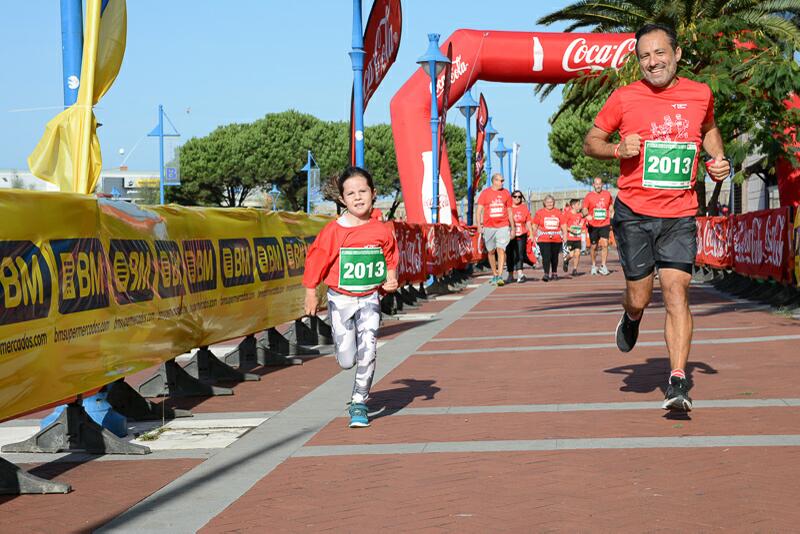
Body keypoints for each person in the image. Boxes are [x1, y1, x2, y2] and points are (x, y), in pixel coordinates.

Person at [583, 23, 731, 412]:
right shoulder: (624, 98)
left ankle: (678, 380)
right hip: (634, 213)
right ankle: (631, 317)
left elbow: (708, 128)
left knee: (677, 292)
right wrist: (617, 149)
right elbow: (590, 142)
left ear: (677, 54)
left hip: (680, 213)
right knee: (641, 296)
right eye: (645, 56)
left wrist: (716, 159)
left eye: (660, 53)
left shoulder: (700, 94)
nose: (653, 62)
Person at [303, 166, 399, 427]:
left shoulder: (381, 229)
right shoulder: (335, 231)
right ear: (343, 199)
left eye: (362, 191)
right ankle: (347, 356)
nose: (357, 197)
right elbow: (316, 260)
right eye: (351, 193)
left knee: (368, 349)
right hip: (340, 298)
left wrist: (391, 279)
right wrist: (311, 292)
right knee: (347, 360)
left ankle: (359, 402)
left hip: (369, 297)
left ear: (373, 193)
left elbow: (390, 257)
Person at [476, 173, 515, 286]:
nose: (502, 183)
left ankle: (500, 275)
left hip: (502, 225)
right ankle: (494, 274)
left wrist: (513, 227)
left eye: (503, 180)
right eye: (500, 180)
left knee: (501, 249)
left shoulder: (506, 193)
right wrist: (479, 225)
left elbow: (510, 211)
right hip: (489, 226)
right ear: (494, 181)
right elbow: (479, 210)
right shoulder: (485, 193)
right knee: (491, 251)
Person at [581, 177, 614, 275]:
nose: (598, 186)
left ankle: (603, 265)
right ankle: (594, 265)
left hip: (605, 223)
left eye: (600, 184)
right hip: (593, 225)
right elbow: (584, 209)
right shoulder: (589, 196)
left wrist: (612, 212)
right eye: (596, 184)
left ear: (602, 184)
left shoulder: (607, 194)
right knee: (593, 247)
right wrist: (587, 215)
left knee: (605, 244)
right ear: (593, 185)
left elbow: (610, 205)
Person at [531, 194, 568, 282]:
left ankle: (554, 272)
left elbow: (563, 224)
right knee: (546, 256)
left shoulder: (558, 212)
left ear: (554, 203)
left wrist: (565, 235)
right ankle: (546, 274)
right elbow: (535, 225)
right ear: (544, 203)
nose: (549, 204)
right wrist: (533, 235)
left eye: (551, 202)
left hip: (556, 239)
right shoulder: (540, 212)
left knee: (554, 256)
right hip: (543, 239)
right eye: (548, 202)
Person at [507, 190, 533, 282]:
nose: (517, 198)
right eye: (515, 196)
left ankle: (520, 274)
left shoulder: (524, 208)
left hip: (521, 234)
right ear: (511, 197)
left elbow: (528, 221)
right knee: (510, 255)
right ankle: (510, 275)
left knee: (520, 254)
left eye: (519, 197)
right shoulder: (507, 208)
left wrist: (531, 234)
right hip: (509, 235)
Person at [563, 198, 585, 276]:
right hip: (570, 238)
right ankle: (566, 260)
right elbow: (564, 225)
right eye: (578, 204)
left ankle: (575, 269)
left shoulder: (579, 215)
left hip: (578, 238)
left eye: (580, 204)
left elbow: (581, 224)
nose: (580, 206)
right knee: (571, 254)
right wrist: (571, 230)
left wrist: (582, 229)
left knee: (578, 253)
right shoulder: (567, 214)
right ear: (573, 206)